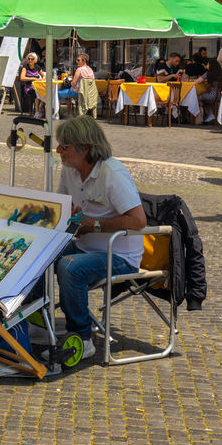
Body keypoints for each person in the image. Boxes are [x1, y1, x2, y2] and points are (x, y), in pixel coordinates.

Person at [51, 115, 147, 359]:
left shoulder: (112, 173)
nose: (58, 150)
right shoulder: (69, 170)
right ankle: (29, 318)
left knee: (70, 267)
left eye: (65, 145)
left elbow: (138, 220)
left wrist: (94, 226)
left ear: (85, 148)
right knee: (39, 254)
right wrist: (66, 214)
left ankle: (82, 337)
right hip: (86, 247)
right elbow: (62, 206)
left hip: (120, 255)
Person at [16, 53, 45, 117]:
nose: (30, 60)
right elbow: (22, 78)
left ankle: (40, 108)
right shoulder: (25, 67)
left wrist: (42, 79)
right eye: (29, 59)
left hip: (36, 86)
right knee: (36, 92)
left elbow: (43, 75)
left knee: (45, 92)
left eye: (32, 59)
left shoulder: (37, 67)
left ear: (35, 60)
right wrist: (34, 78)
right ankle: (37, 111)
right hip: (28, 87)